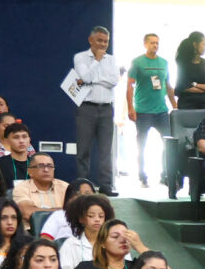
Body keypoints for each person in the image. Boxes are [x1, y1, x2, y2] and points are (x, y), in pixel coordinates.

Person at [60, 26, 124, 196]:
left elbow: (113, 81)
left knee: (105, 149)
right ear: (91, 40)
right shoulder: (80, 57)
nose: (103, 44)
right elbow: (85, 77)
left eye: (106, 41)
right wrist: (96, 60)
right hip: (86, 108)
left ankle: (106, 185)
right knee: (83, 149)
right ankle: (82, 185)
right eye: (100, 40)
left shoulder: (111, 59)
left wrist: (94, 79)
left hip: (106, 108)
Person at [124, 31, 173, 187]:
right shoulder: (138, 62)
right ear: (145, 44)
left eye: (157, 42)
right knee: (141, 144)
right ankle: (142, 176)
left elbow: (168, 85)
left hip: (161, 111)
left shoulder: (164, 63)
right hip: (143, 111)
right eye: (152, 42)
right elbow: (129, 85)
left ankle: (165, 175)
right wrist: (130, 108)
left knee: (169, 143)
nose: (155, 45)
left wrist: (175, 106)